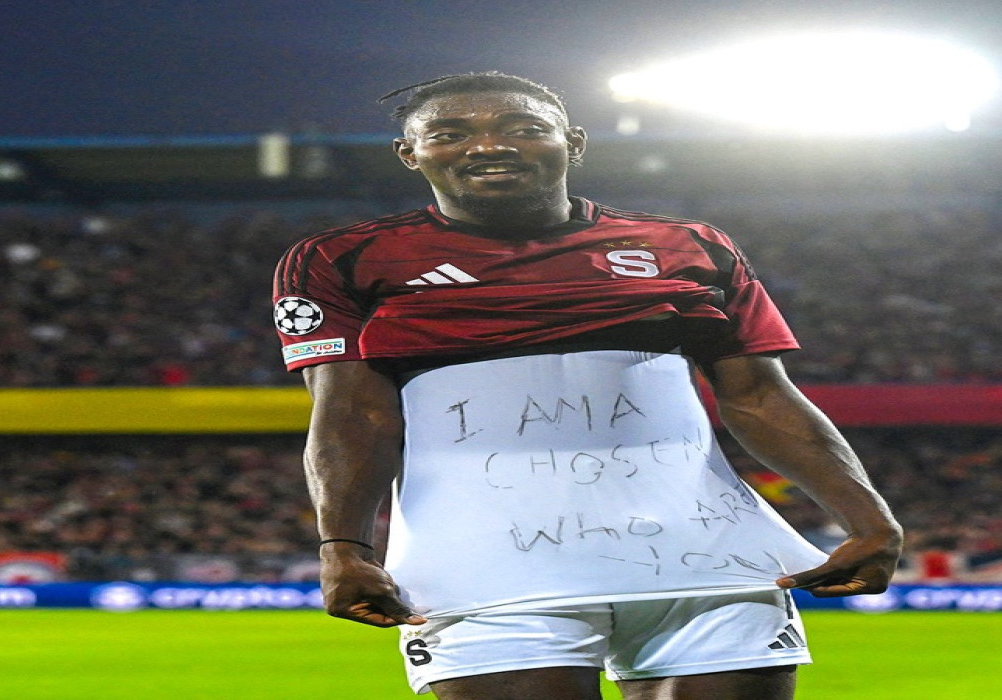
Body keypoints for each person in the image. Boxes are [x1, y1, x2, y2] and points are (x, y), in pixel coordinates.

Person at [272, 72, 902, 700]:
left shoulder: (688, 246)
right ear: (410, 154)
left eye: (523, 129)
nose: (488, 146)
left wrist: (869, 518)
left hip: (709, 558)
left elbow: (760, 396)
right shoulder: (339, 260)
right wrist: (344, 546)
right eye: (450, 133)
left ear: (572, 143)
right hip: (483, 567)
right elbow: (354, 415)